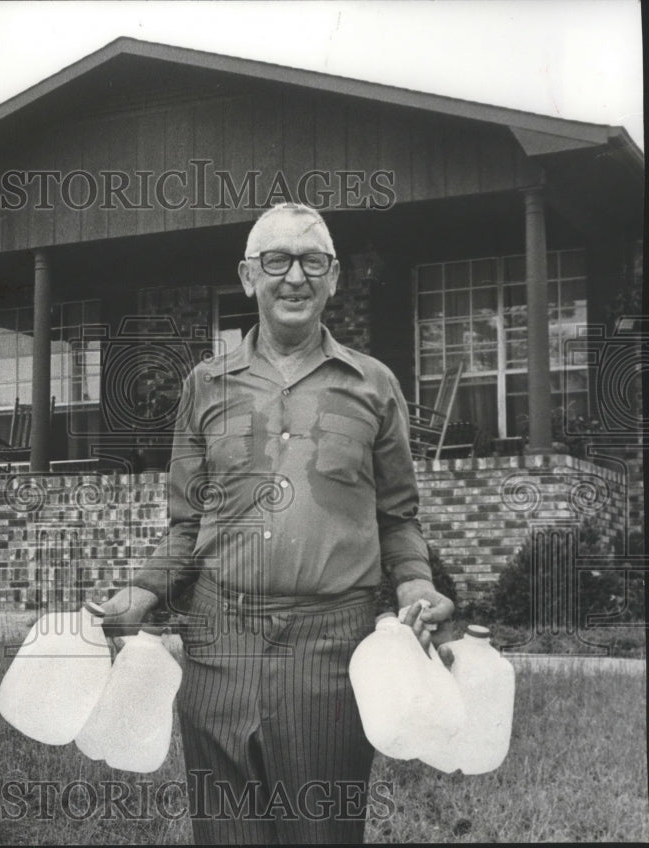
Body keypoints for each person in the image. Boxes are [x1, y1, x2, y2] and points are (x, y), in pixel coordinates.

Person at [98, 202, 454, 844]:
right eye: (277, 260)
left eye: (312, 261)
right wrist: (142, 593)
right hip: (217, 643)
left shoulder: (374, 385)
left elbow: (398, 517)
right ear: (247, 276)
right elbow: (186, 523)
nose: (295, 276)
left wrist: (415, 588)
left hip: (330, 647)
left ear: (334, 276)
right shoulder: (204, 385)